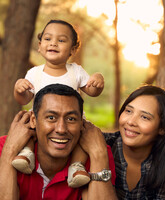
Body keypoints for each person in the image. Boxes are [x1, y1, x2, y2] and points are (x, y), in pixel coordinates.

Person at [0, 84, 120, 200]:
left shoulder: (95, 152)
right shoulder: (3, 147)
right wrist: (10, 150)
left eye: (71, 119)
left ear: (81, 123)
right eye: (51, 117)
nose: (61, 129)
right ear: (33, 120)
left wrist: (98, 155)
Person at [12, 19, 104, 189]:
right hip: (41, 121)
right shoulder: (34, 73)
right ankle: (27, 154)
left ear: (73, 49)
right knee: (27, 128)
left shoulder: (76, 71)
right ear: (39, 46)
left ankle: (76, 167)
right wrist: (19, 89)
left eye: (61, 40)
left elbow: (92, 91)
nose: (53, 43)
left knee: (83, 136)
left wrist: (97, 80)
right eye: (48, 39)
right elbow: (23, 100)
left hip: (70, 121)